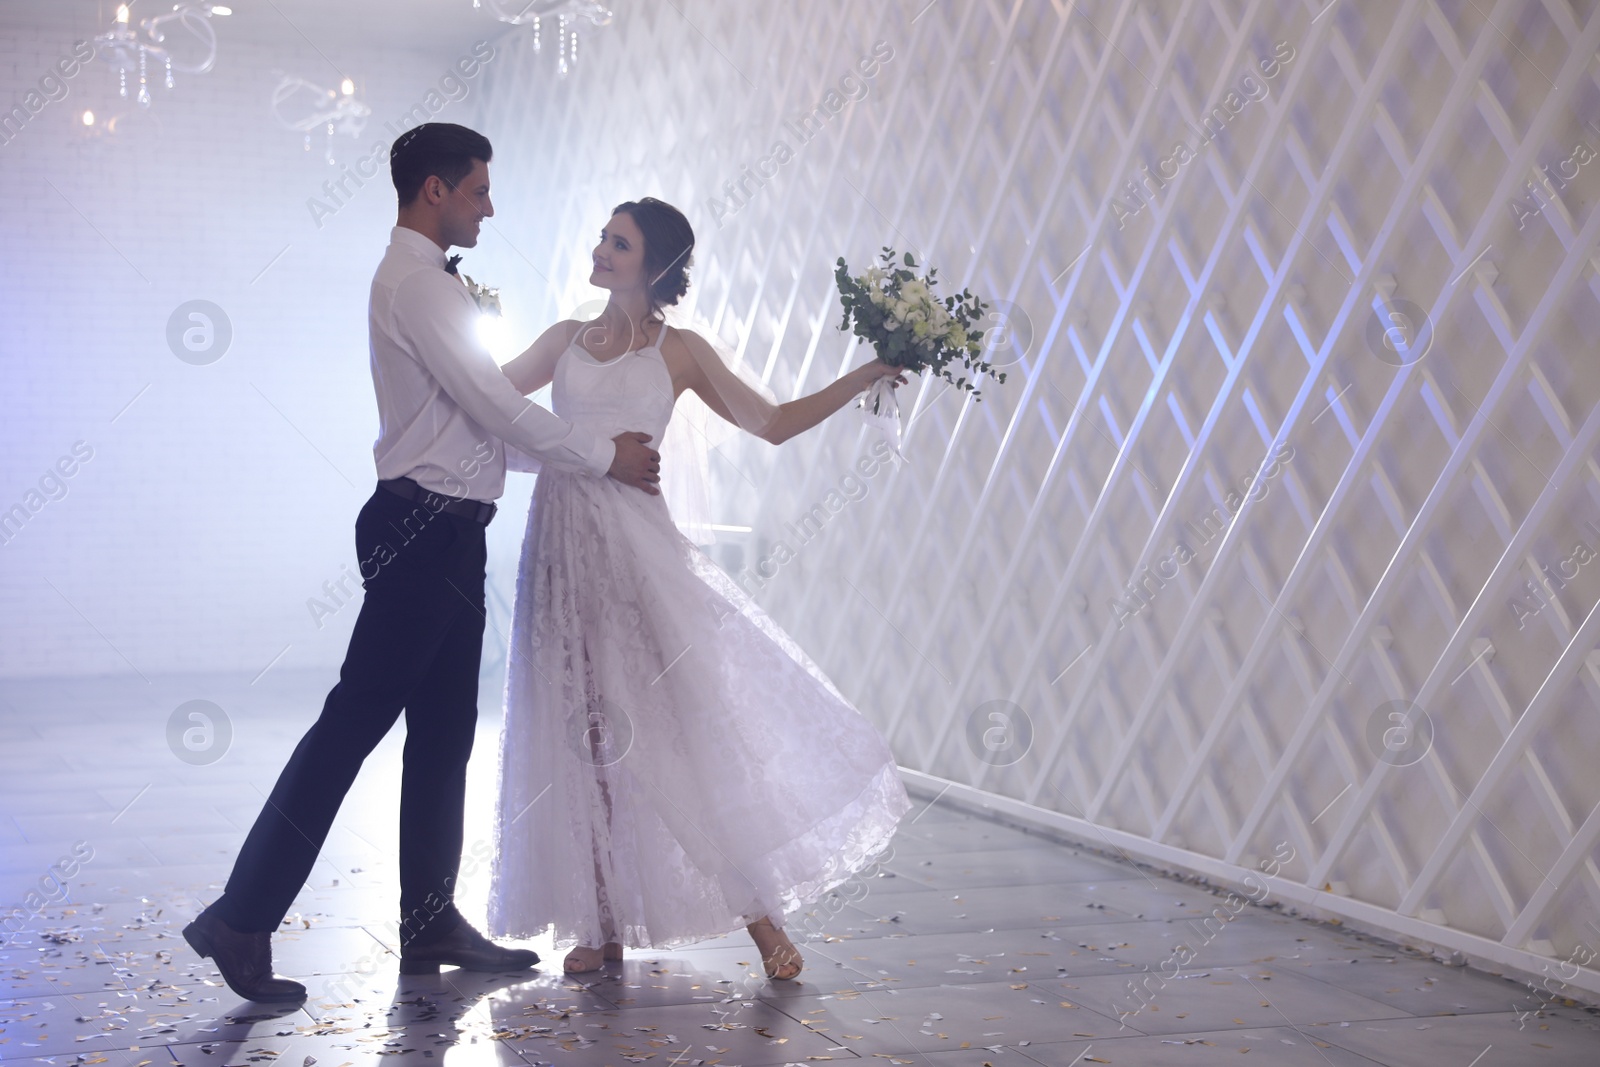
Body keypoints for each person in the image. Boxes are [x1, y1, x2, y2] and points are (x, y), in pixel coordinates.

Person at [182, 123, 663, 1002]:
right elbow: (492, 400)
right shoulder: (419, 286)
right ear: (434, 191)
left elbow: (476, 428)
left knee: (441, 737)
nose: (489, 205)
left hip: (449, 530)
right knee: (349, 729)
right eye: (478, 189)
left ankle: (428, 919)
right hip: (422, 533)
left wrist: (572, 462)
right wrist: (602, 457)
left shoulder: (426, 283)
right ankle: (241, 918)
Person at [487, 196, 914, 979]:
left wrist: (866, 374)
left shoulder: (678, 351)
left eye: (618, 242)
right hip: (558, 560)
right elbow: (489, 404)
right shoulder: (563, 340)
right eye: (603, 237)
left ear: (654, 266)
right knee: (580, 735)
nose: (602, 249)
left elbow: (773, 422)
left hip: (637, 562)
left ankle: (761, 919)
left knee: (670, 736)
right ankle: (600, 920)